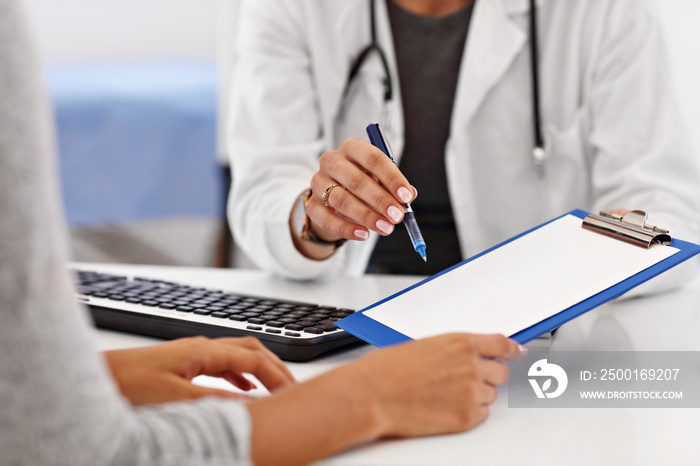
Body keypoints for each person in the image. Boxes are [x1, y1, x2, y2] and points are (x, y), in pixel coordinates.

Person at [0, 1, 524, 464]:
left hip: (549, 340)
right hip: (359, 323)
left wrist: (102, 378)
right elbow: (80, 450)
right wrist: (364, 396)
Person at [228, 0, 700, 282]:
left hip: (542, 311)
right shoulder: (290, 8)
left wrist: (599, 248)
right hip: (351, 301)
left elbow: (663, 202)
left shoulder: (603, 13)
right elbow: (262, 188)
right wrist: (317, 220)